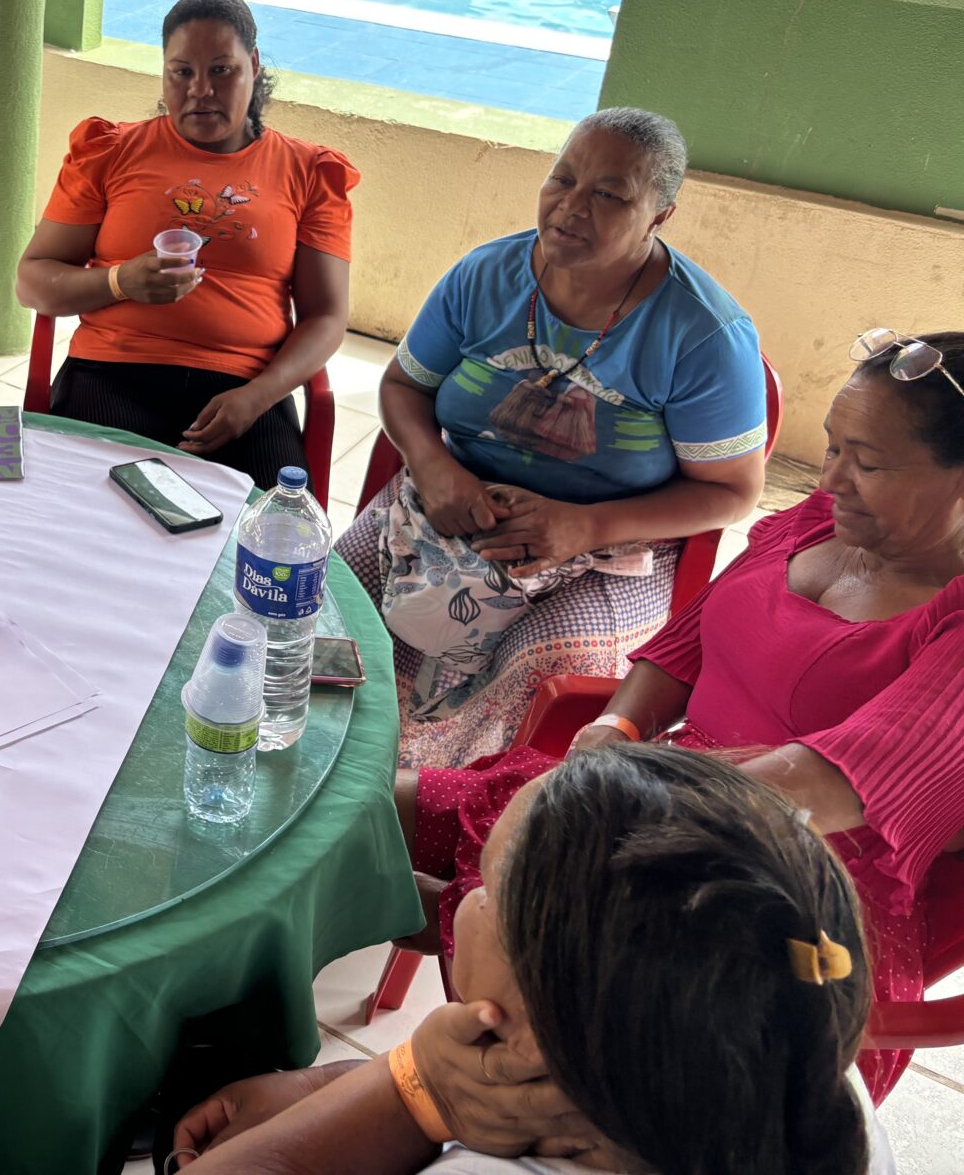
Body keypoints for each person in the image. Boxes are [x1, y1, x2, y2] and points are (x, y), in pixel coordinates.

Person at [398, 329, 964, 1101]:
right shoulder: (813, 525)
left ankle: (452, 1096)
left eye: (867, 463)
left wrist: (594, 814)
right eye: (832, 449)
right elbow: (690, 641)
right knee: (369, 821)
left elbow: (831, 784)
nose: (830, 479)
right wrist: (619, 728)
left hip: (789, 891)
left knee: (503, 937)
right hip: (662, 792)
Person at [169, 746, 895, 1174]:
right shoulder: (799, 1052)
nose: (468, 895)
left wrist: (414, 1094)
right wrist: (369, 1085)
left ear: (532, 1037)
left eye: (484, 885)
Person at [335, 107, 766, 768]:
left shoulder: (703, 335)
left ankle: (438, 806)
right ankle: (324, 757)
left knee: (542, 665)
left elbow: (733, 494)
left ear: (660, 214)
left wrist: (585, 527)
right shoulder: (484, 278)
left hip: (608, 546)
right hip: (455, 500)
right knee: (329, 601)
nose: (571, 207)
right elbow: (403, 387)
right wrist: (434, 468)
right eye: (562, 179)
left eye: (609, 194)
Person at [16, 0, 355, 493]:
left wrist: (258, 397)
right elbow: (32, 281)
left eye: (222, 70)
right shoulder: (111, 152)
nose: (201, 90)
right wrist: (119, 281)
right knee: (87, 518)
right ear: (164, 73)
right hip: (113, 373)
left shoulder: (308, 172)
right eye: (182, 72)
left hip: (243, 392)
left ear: (254, 66)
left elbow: (327, 316)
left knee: (266, 539)